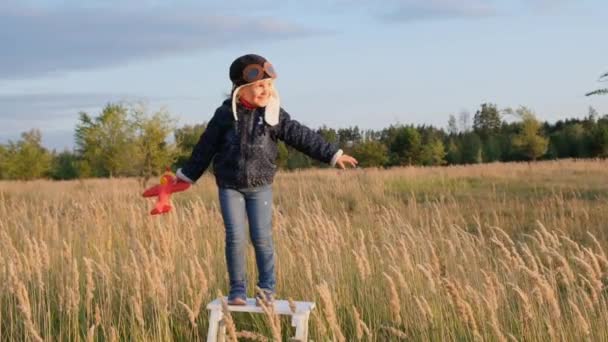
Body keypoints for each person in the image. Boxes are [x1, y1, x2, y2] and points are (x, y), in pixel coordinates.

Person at [176, 54, 358, 305]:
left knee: (261, 237)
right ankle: (237, 289)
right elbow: (204, 147)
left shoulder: (274, 115)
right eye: (260, 85)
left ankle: (266, 289)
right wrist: (187, 176)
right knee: (235, 237)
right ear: (241, 89)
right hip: (230, 186)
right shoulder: (224, 115)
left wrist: (332, 154)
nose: (266, 90)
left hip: (261, 186)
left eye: (270, 85)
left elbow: (302, 136)